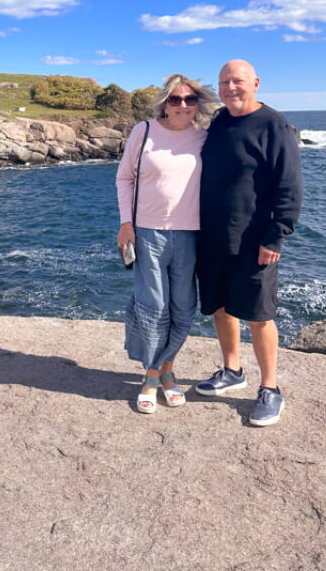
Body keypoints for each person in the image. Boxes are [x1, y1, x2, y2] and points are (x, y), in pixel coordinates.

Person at [195, 59, 302, 427]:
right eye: (224, 82)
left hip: (256, 240)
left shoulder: (274, 125)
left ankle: (270, 389)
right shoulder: (219, 122)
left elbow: (289, 187)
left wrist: (277, 234)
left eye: (237, 81)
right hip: (212, 236)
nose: (230, 88)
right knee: (221, 308)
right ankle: (231, 370)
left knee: (259, 315)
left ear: (255, 82)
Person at [116, 73, 215, 414]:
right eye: (175, 99)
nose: (183, 105)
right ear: (165, 103)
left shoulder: (205, 138)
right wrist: (126, 224)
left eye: (190, 100)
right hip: (148, 232)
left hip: (192, 234)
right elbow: (125, 178)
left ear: (198, 103)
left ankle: (166, 371)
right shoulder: (143, 131)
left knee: (183, 308)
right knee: (153, 306)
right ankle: (152, 377)